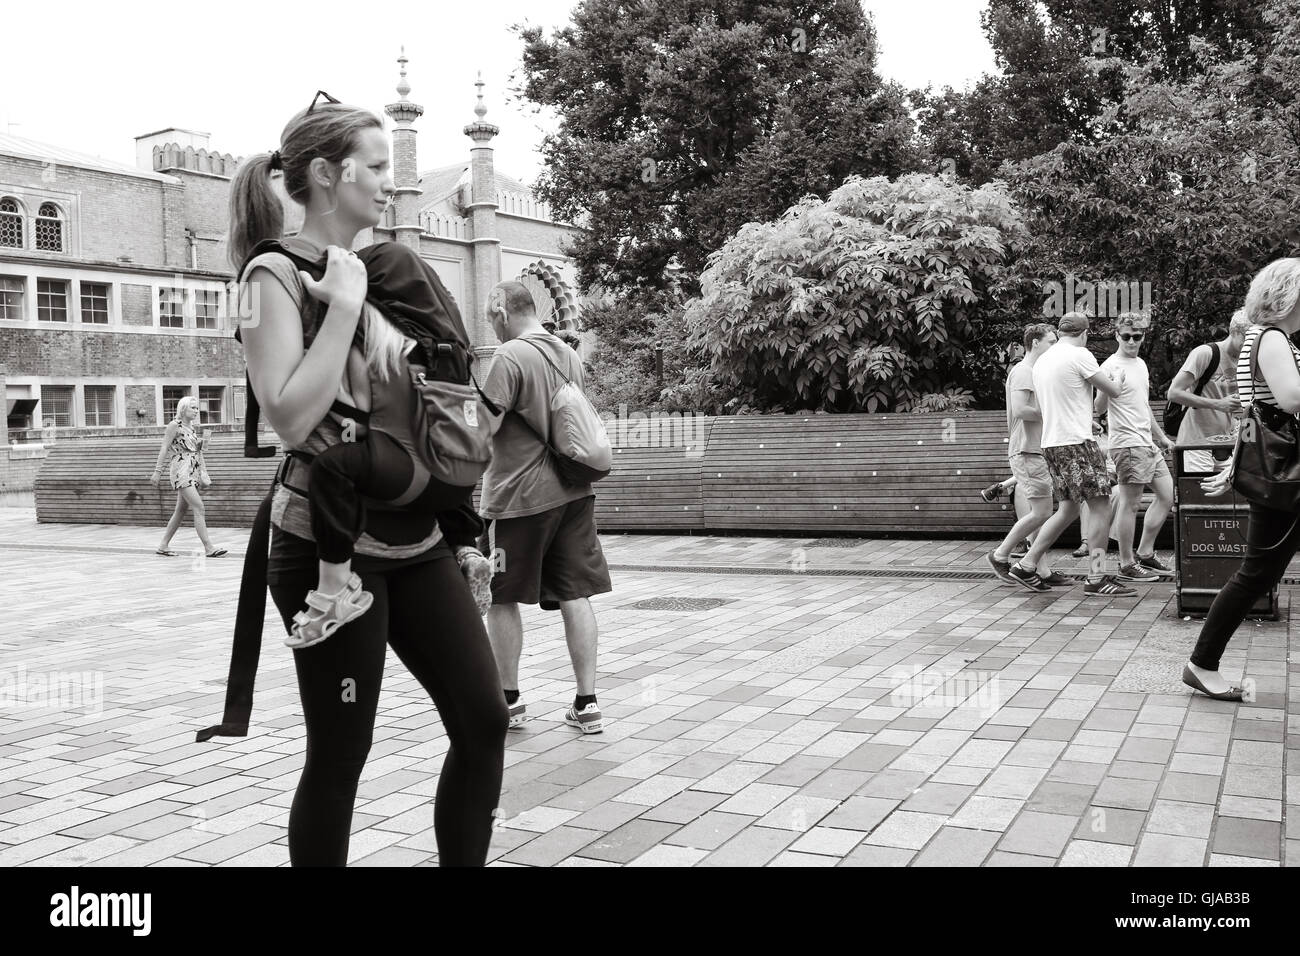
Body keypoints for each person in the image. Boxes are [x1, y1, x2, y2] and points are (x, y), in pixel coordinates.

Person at [229, 92, 506, 865]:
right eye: (375, 167)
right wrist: (345, 311)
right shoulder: (267, 273)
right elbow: (287, 416)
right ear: (324, 172)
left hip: (415, 535)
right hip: (326, 544)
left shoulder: (382, 267)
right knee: (342, 754)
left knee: (482, 721)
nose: (390, 183)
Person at [478, 281, 613, 735]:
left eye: (489, 315)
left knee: (502, 596)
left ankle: (509, 703)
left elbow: (484, 427)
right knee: (575, 592)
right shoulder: (567, 353)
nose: (490, 325)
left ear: (501, 308)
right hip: (573, 492)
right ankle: (587, 702)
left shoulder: (508, 356)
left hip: (518, 498)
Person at [1188, 259, 1300, 700]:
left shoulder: (1272, 338)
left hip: (1283, 473)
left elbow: (1256, 412)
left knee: (1256, 572)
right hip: (1287, 477)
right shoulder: (1271, 338)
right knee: (1255, 573)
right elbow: (1290, 400)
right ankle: (1201, 663)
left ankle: (1202, 662)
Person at [1008, 313, 1135, 596]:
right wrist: (1118, 377)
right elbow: (1112, 391)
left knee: (1067, 509)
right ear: (1085, 333)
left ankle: (1026, 564)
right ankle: (1096, 576)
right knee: (1101, 509)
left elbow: (1091, 404)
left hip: (1052, 444)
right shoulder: (1080, 354)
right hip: (1078, 443)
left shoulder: (1042, 362)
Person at [1095, 313, 1176, 581]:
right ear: (1117, 336)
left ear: (1143, 337)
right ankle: (1126, 563)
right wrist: (1111, 387)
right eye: (1126, 336)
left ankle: (1145, 552)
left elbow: (1142, 405)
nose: (1131, 341)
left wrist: (1160, 436)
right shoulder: (1110, 366)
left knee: (1167, 494)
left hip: (1146, 443)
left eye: (1137, 337)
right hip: (1127, 444)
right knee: (1130, 504)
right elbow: (1098, 407)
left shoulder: (1140, 363)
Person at [988, 323, 1070, 585]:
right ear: (1035, 343)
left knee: (1041, 511)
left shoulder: (1036, 372)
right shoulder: (1024, 371)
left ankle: (1040, 570)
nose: (1055, 347)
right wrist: (1054, 412)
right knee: (1042, 512)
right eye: (1051, 341)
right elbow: (1022, 410)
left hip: (1036, 449)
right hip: (1026, 450)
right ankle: (1000, 555)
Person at [1167, 312, 1249, 474]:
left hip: (1225, 445)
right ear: (1235, 332)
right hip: (1196, 443)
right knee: (1199, 497)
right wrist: (1219, 404)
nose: (1250, 346)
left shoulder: (1245, 360)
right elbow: (1174, 393)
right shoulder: (1206, 353)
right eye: (1247, 339)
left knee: (1231, 497)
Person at [150, 396, 227, 557]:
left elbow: (198, 452)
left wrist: (203, 471)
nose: (196, 411)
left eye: (197, 408)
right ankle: (209, 548)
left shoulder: (191, 427)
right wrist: (157, 471)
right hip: (181, 471)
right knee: (199, 507)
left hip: (192, 470)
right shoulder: (174, 425)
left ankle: (163, 545)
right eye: (193, 407)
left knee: (180, 510)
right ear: (183, 409)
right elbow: (164, 447)